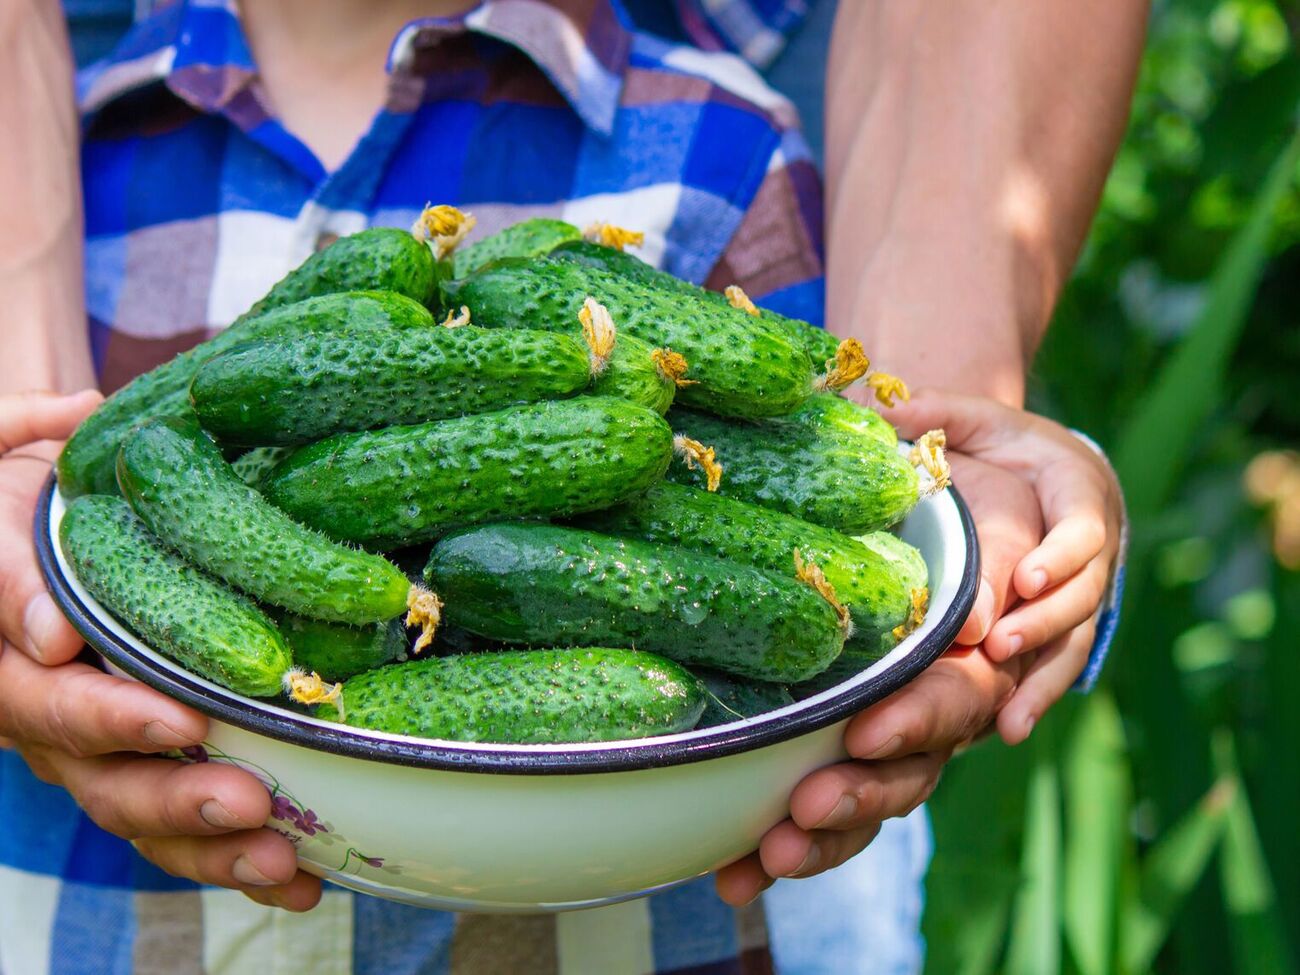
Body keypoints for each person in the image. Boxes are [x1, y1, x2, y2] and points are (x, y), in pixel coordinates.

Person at [0, 0, 1133, 971]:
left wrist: (956, 456)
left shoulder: (725, 155)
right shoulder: (104, 140)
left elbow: (877, 445)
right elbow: (98, 488)